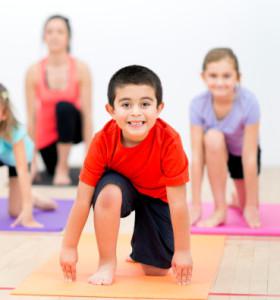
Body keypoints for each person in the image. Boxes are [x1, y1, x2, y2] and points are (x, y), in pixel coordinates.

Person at [59, 65, 193, 285]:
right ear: (111, 110)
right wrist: (69, 247)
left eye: (145, 104)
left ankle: (141, 248)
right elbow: (83, 199)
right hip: (122, 188)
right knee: (109, 193)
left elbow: (178, 204)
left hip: (157, 198)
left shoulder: (169, 141)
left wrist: (183, 251)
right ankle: (107, 263)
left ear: (159, 108)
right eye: (126, 104)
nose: (136, 112)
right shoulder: (102, 140)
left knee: (156, 271)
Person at [189, 48, 261, 228]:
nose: (220, 82)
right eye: (213, 76)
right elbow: (197, 157)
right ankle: (220, 209)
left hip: (241, 155)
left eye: (226, 76)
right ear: (203, 76)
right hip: (216, 153)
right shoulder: (198, 105)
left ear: (237, 77)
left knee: (246, 207)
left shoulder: (249, 102)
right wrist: (196, 204)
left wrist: (252, 206)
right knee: (213, 137)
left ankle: (240, 200)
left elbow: (250, 156)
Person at [25, 14, 92, 185]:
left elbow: (87, 116)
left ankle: (63, 168)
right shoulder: (33, 72)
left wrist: (90, 161)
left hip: (72, 129)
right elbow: (31, 119)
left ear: (68, 37)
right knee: (49, 169)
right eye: (50, 31)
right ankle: (56, 166)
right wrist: (30, 163)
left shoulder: (80, 69)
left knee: (64, 108)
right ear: (44, 37)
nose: (54, 36)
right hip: (47, 137)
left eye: (60, 32)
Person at [0, 84, 56, 228]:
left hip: (17, 160)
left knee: (15, 211)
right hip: (2, 155)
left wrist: (28, 211)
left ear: (4, 114)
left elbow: (22, 170)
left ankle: (34, 198)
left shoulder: (15, 132)